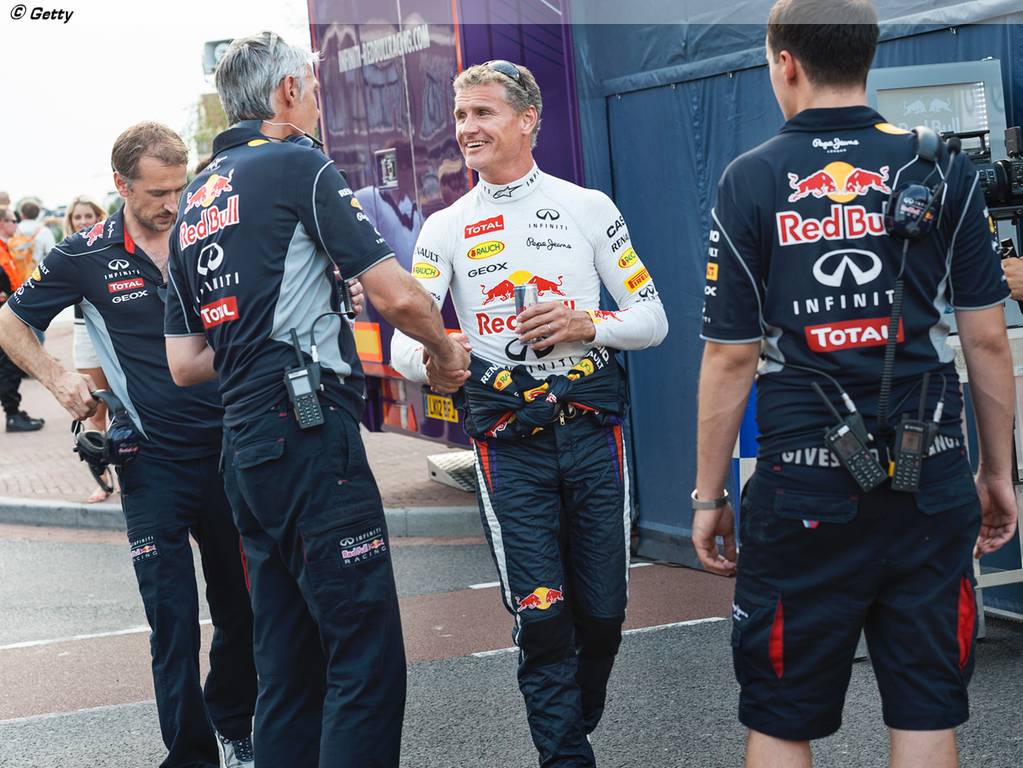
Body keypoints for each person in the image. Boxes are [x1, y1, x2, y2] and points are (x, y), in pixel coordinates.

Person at [692, 3, 1018, 767]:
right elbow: (984, 338)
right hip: (930, 472)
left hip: (802, 483)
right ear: (866, 56)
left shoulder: (750, 178)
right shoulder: (941, 169)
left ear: (784, 63)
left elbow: (730, 358)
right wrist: (996, 475)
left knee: (780, 718)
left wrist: (708, 499)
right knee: (925, 710)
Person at [163, 32, 469, 768]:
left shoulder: (194, 200)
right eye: (313, 87)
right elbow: (398, 294)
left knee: (287, 664)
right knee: (363, 653)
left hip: (244, 447)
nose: (320, 104)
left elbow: (185, 363)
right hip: (306, 432)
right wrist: (444, 350)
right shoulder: (298, 162)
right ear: (287, 92)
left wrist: (272, 324)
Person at [390, 61, 668, 767]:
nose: (467, 128)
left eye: (482, 113)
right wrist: (440, 357)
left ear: (527, 119)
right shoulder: (445, 226)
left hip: (590, 433)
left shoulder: (587, 207)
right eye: (460, 116)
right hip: (508, 444)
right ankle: (565, 755)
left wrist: (586, 324)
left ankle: (572, 721)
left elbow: (653, 318)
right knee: (541, 617)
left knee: (602, 614)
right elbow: (403, 346)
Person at [0, 123, 258, 768]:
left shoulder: (211, 231)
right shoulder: (83, 254)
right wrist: (55, 376)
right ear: (121, 184)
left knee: (242, 609)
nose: (173, 204)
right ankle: (191, 756)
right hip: (150, 461)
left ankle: (235, 724)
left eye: (180, 189)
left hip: (231, 450)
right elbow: (10, 321)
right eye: (157, 192)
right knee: (172, 621)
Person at [63, 194, 114, 501]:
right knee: (94, 409)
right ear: (71, 222)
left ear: (99, 217)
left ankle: (134, 475)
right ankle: (102, 478)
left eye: (88, 215)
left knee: (126, 406)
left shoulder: (110, 246)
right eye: (78, 217)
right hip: (84, 333)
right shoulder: (65, 253)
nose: (83, 221)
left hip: (115, 332)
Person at [0, 207, 44, 432]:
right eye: (13, 220)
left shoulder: (5, 248)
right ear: (2, 223)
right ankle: (12, 415)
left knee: (10, 364)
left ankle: (14, 412)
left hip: (9, 313)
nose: (16, 224)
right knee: (8, 365)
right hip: (4, 318)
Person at [10, 198, 56, 280]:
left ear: (22, 214)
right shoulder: (44, 231)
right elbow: (51, 254)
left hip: (16, 275)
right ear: (38, 214)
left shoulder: (14, 229)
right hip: (37, 276)